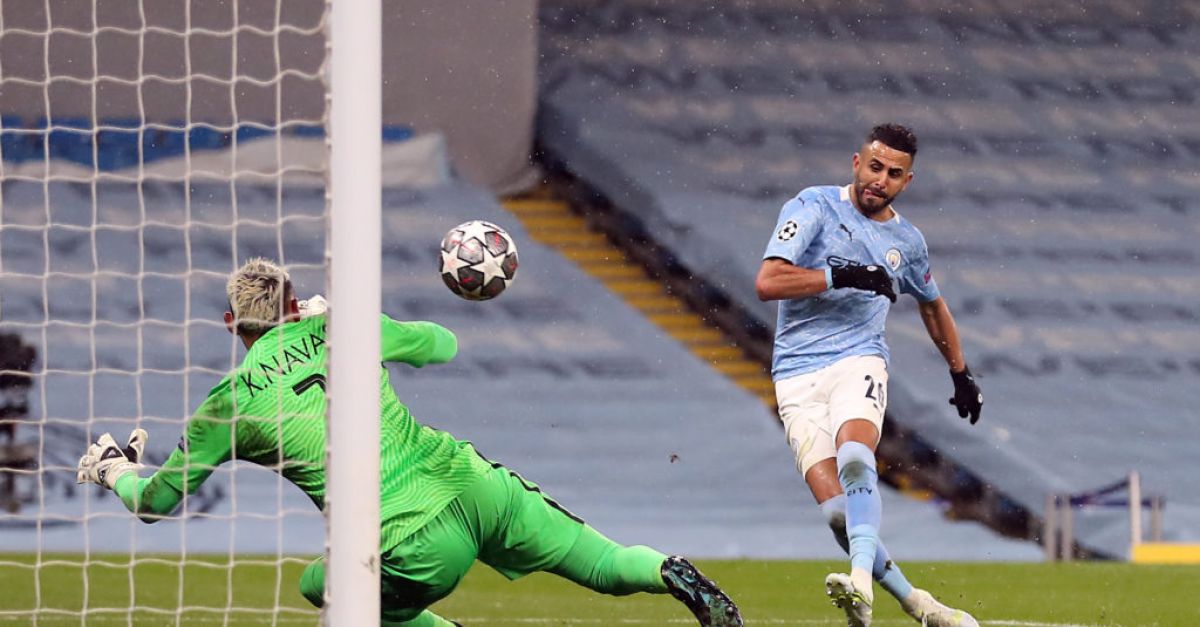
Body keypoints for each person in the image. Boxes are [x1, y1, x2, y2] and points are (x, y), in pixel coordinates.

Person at [77, 258, 743, 627]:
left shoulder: (229, 402)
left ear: (232, 323)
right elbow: (443, 343)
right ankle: (668, 572)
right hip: (472, 482)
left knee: (323, 585)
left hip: (404, 541)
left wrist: (115, 472)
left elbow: (158, 502)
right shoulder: (342, 330)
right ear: (292, 304)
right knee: (601, 562)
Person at [754, 124, 983, 627]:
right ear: (857, 162)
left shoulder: (907, 242)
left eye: (894, 174)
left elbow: (932, 305)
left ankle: (859, 586)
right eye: (874, 167)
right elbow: (768, 282)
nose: (880, 180)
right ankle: (917, 602)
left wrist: (960, 372)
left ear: (907, 181)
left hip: (859, 360)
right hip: (795, 374)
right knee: (838, 516)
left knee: (857, 458)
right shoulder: (812, 207)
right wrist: (844, 274)